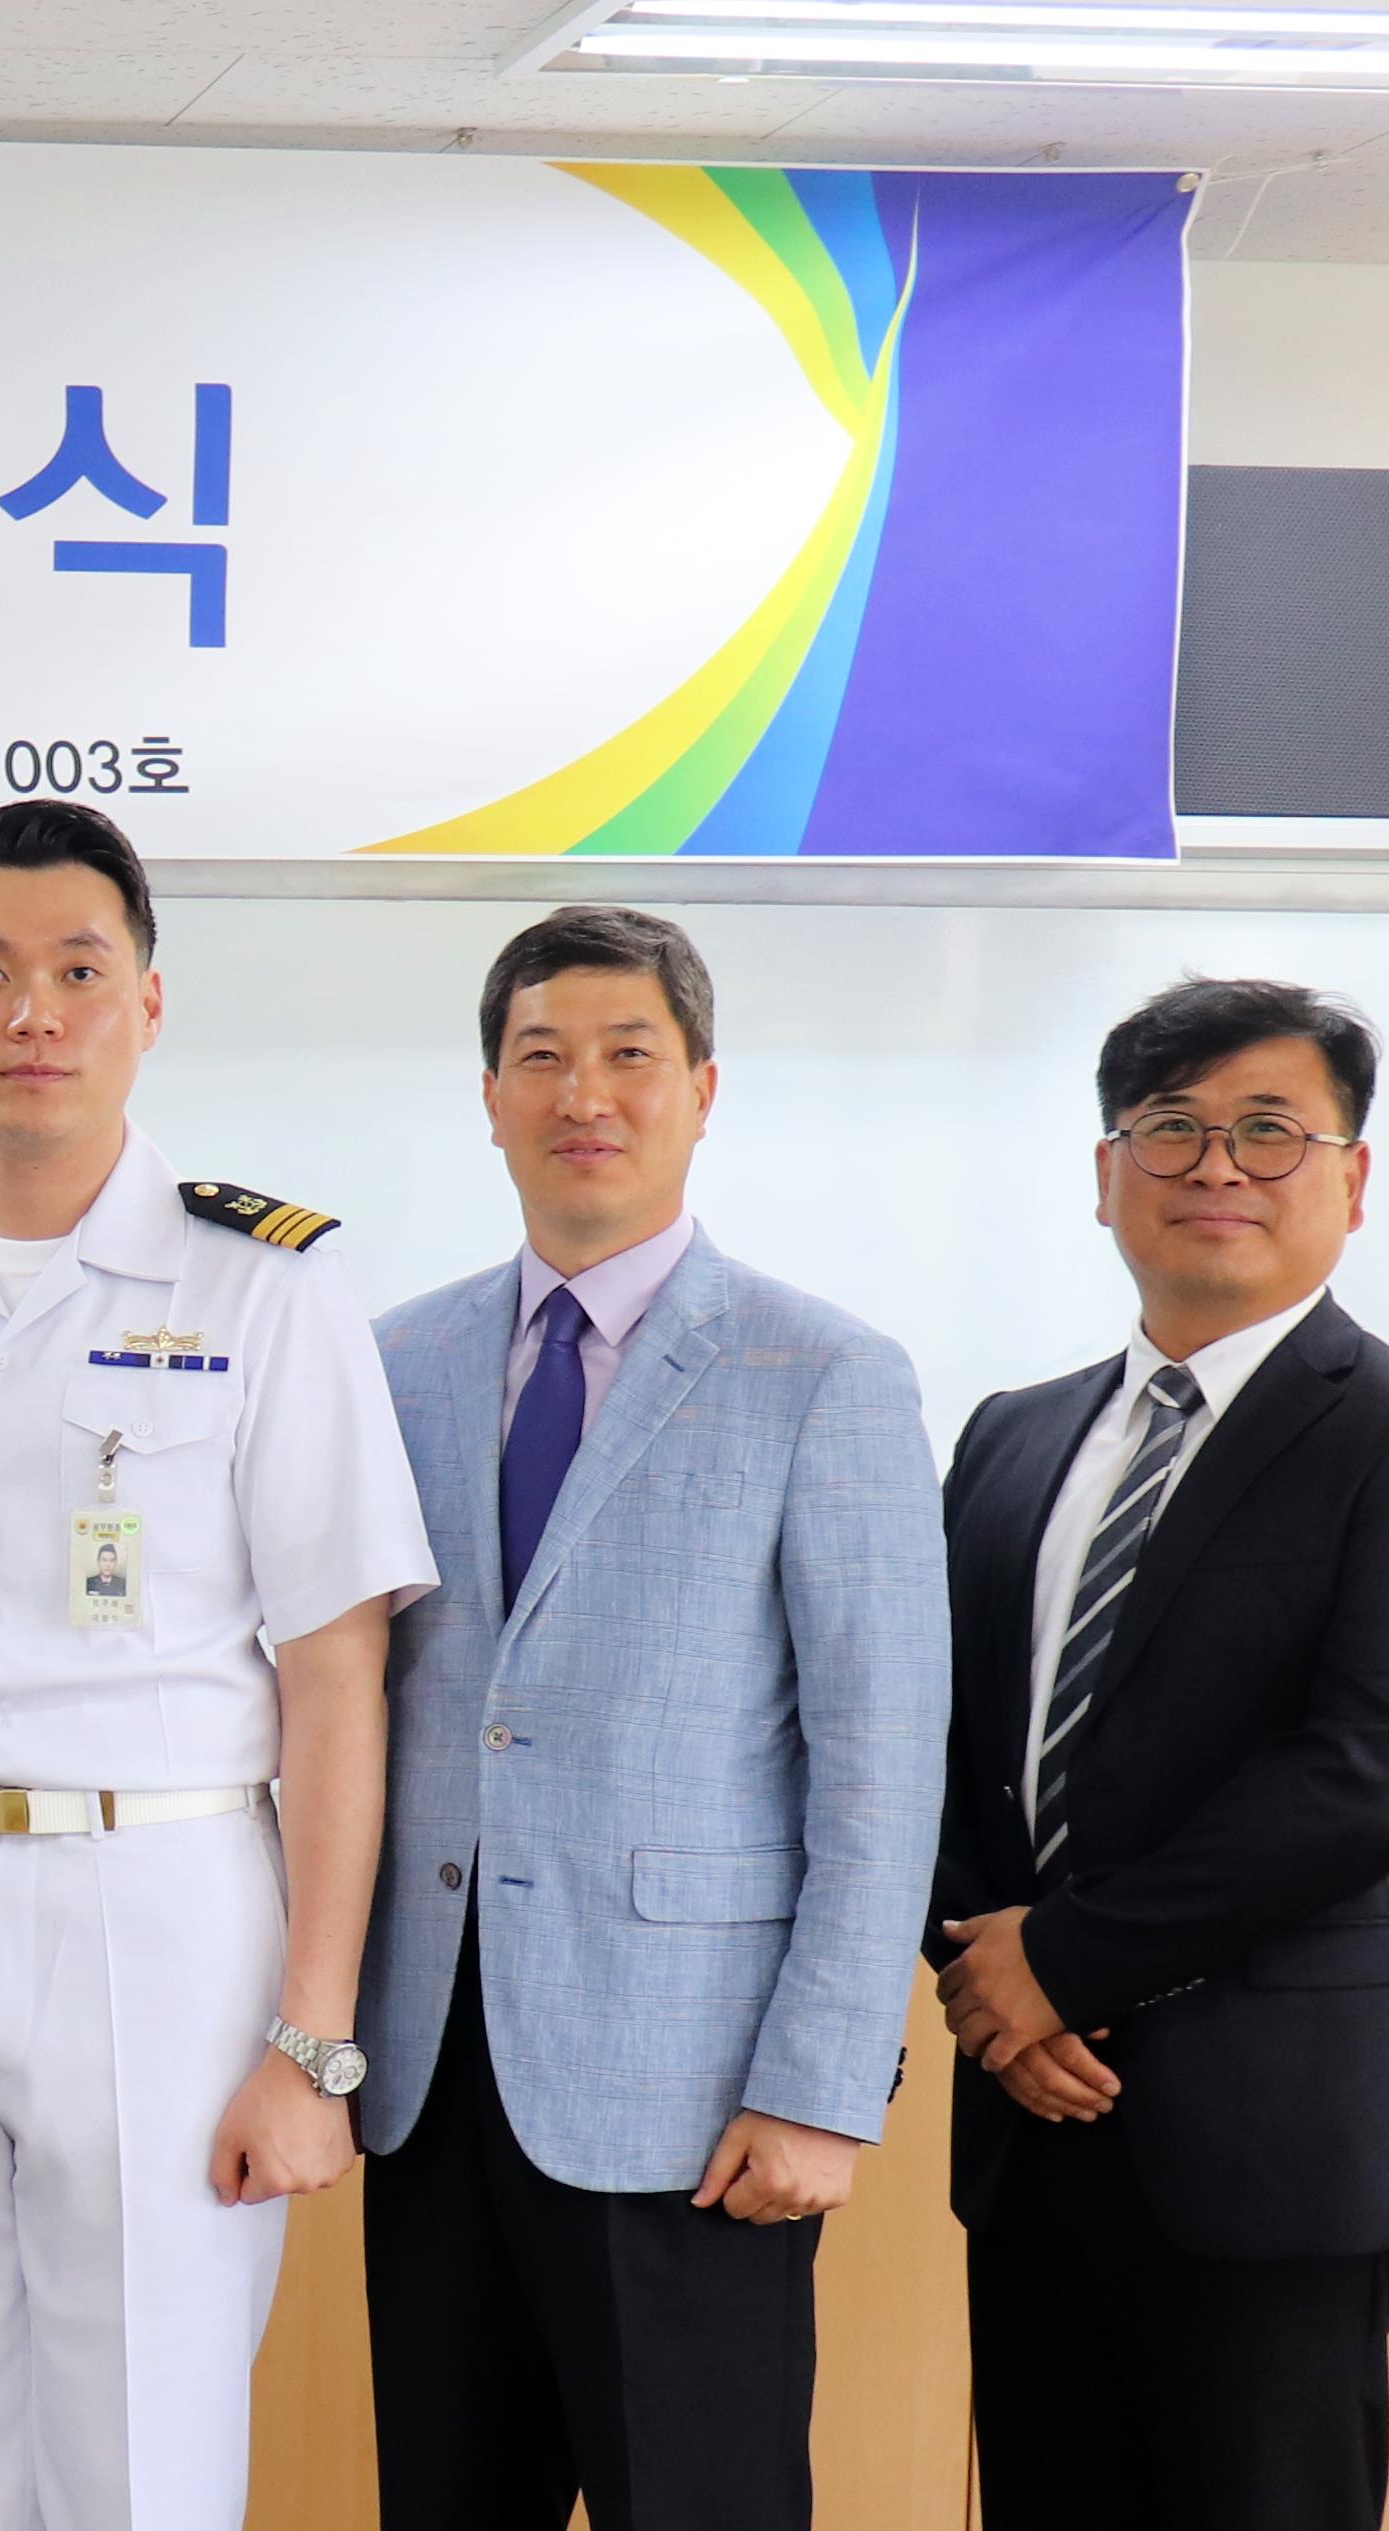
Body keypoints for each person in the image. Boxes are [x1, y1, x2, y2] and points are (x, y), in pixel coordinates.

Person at [0, 802, 431, 2531]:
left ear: (147, 1004)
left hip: (161, 1903)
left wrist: (312, 2042)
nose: (31, 1012)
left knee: (143, 2452)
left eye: (77, 971)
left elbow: (335, 1680)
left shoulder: (262, 1287)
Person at [354, 908, 946, 2531]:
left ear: (700, 1089)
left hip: (692, 2096)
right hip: (428, 2077)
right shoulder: (390, 1362)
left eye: (628, 1055)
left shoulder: (821, 1371)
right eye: (539, 1057)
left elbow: (880, 1763)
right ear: (488, 1096)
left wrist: (821, 2085)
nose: (583, 1094)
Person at [929, 978, 1389, 2531]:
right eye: (1171, 1128)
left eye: (1269, 1132)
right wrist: (982, 1981)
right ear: (1104, 1170)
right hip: (1032, 2114)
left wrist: (1058, 1960)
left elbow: (1372, 1767)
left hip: (1279, 2131)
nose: (1215, 1168)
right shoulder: (1008, 1436)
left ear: (1351, 1177)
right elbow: (929, 1738)